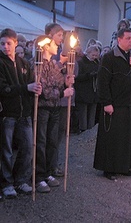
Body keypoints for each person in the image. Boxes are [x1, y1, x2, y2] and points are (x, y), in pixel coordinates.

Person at [93, 28, 131, 180]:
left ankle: (123, 166)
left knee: (126, 139)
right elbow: (103, 82)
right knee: (112, 138)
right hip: (114, 105)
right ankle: (109, 168)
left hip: (129, 105)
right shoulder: (109, 57)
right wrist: (106, 102)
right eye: (128, 38)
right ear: (119, 40)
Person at [0, 28, 42, 198]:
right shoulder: (1, 63)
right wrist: (26, 88)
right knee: (7, 151)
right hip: (8, 113)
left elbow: (31, 82)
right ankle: (6, 183)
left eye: (8, 43)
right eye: (2, 43)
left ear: (15, 43)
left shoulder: (23, 63)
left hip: (25, 113)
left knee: (27, 148)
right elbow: (3, 88)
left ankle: (21, 180)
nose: (5, 47)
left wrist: (36, 88)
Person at [35, 34, 74, 193]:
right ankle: (38, 176)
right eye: (54, 44)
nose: (57, 46)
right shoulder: (38, 64)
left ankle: (48, 172)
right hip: (43, 108)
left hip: (55, 108)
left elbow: (58, 83)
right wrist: (62, 94)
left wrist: (66, 82)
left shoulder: (52, 64)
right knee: (41, 142)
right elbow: (43, 89)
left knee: (52, 142)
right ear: (46, 46)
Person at [75, 44, 100, 133]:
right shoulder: (81, 62)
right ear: (88, 53)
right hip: (83, 91)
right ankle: (83, 129)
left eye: (96, 55)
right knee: (83, 113)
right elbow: (77, 77)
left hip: (93, 92)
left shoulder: (97, 63)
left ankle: (91, 129)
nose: (94, 57)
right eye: (93, 55)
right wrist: (88, 75)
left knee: (92, 113)